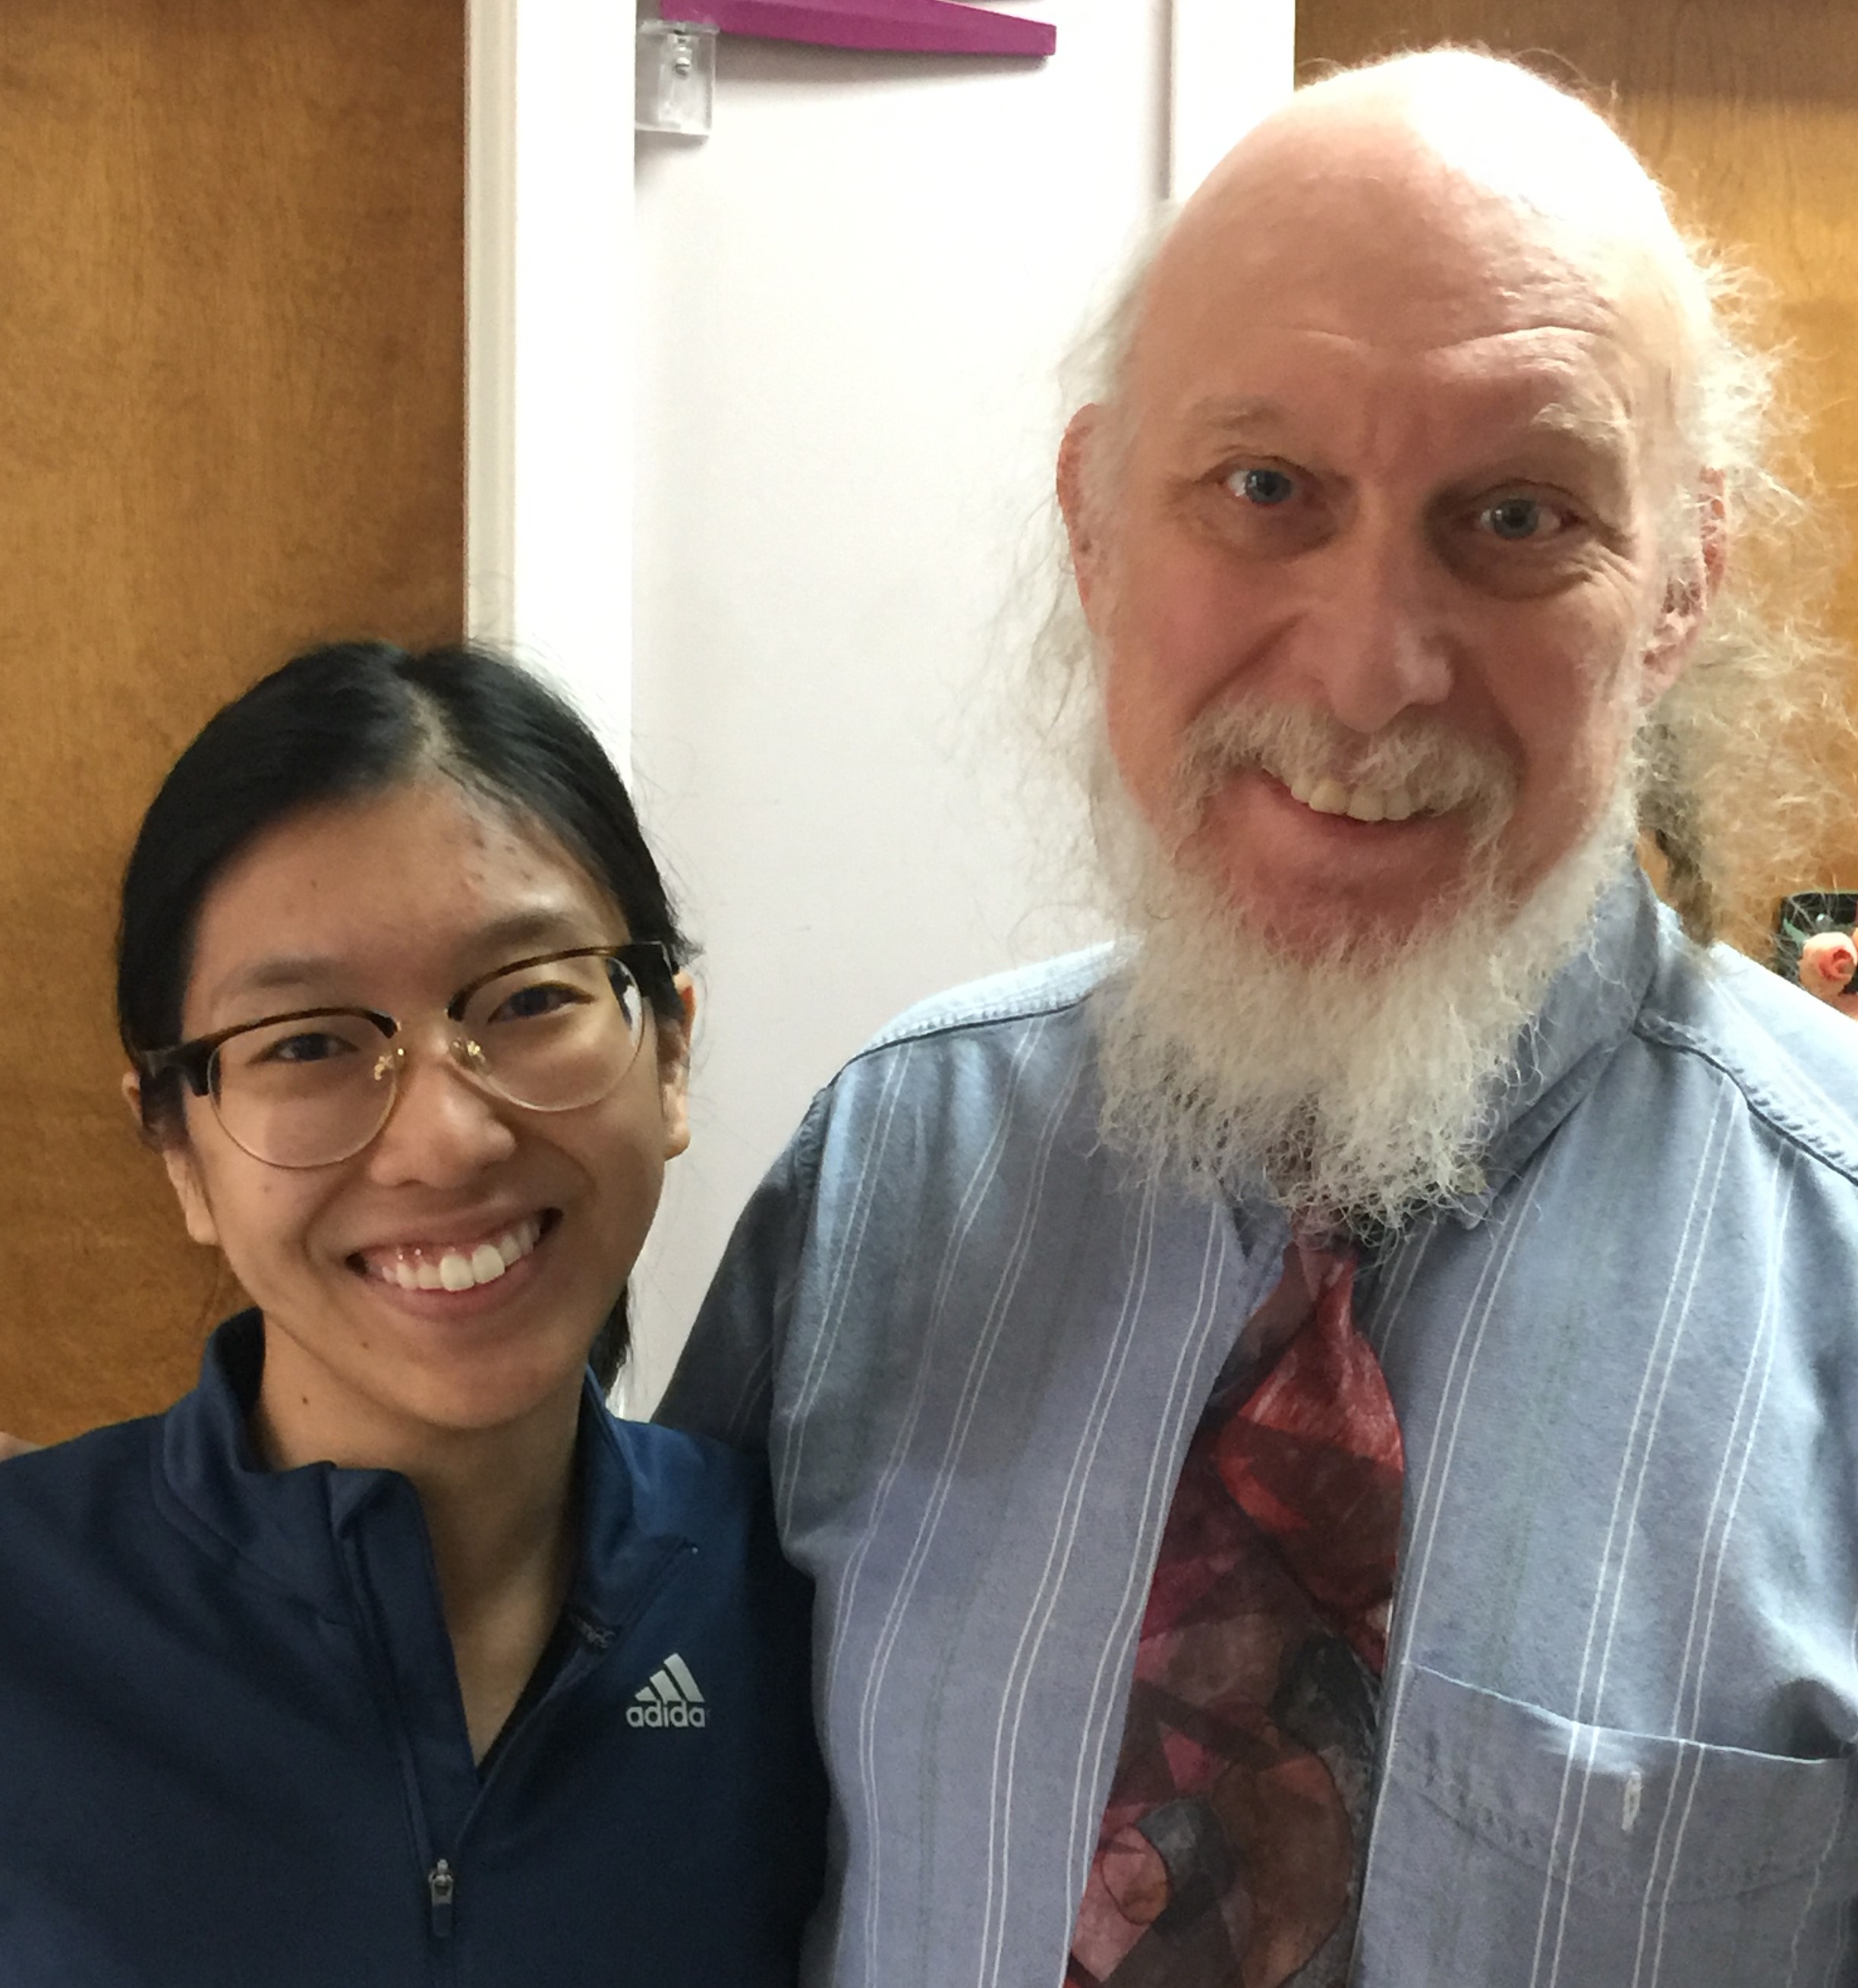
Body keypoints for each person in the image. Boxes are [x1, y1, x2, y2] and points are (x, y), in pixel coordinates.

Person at [658, 48, 1858, 1988]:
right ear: (1098, 519)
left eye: (1521, 516)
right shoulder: (883, 1173)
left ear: (1682, 583)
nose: (1373, 672)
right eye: (1267, 487)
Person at [0, 641, 824, 1986]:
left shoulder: (816, 1619)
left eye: (531, 999)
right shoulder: (30, 1618)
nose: (444, 1140)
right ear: (176, 1148)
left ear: (670, 1050)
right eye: (309, 1043)